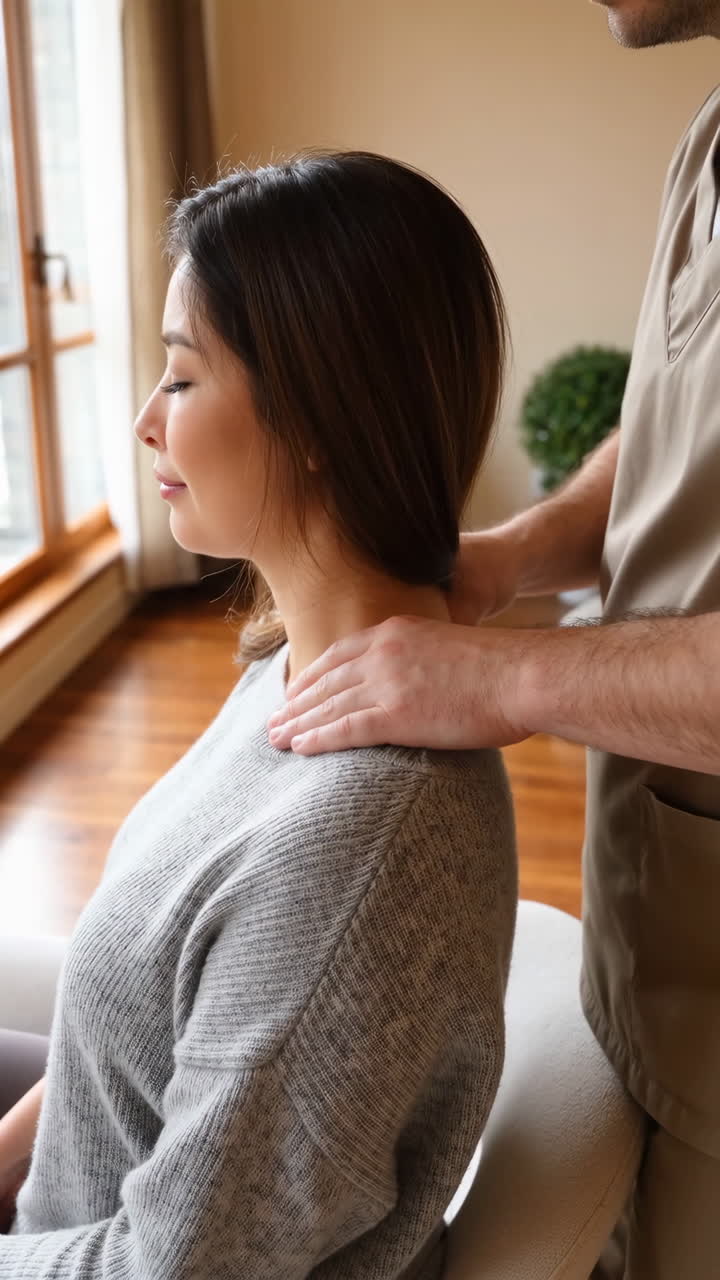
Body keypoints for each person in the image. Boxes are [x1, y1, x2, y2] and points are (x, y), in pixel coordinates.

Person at [0, 152, 518, 1276]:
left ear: (319, 410)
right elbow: (146, 1032)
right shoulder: (302, 667)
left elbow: (168, 1267)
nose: (147, 420)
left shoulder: (359, 843)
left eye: (181, 378)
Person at [267, 5, 720, 1277]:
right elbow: (672, 428)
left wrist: (508, 674)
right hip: (659, 920)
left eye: (187, 376)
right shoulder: (708, 143)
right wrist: (518, 553)